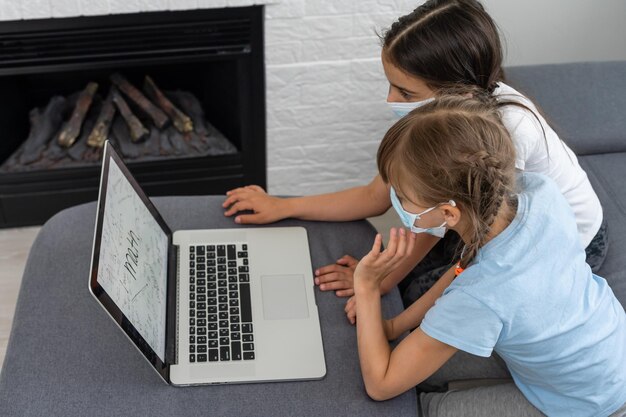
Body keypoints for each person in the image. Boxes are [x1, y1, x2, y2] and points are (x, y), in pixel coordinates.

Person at [222, 0, 606, 306]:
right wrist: (284, 206)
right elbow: (375, 196)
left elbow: (430, 228)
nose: (390, 101)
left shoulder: (504, 133)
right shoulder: (441, 117)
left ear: (459, 90)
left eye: (405, 93)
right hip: (481, 217)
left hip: (573, 242)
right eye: (390, 85)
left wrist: (376, 283)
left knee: (420, 299)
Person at [353, 94, 626, 417]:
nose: (395, 201)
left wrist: (368, 287)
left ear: (447, 213)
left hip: (592, 401)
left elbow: (381, 384)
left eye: (401, 194)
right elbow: (463, 271)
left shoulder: (483, 295)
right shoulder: (539, 192)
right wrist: (394, 326)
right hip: (609, 343)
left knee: (431, 408)